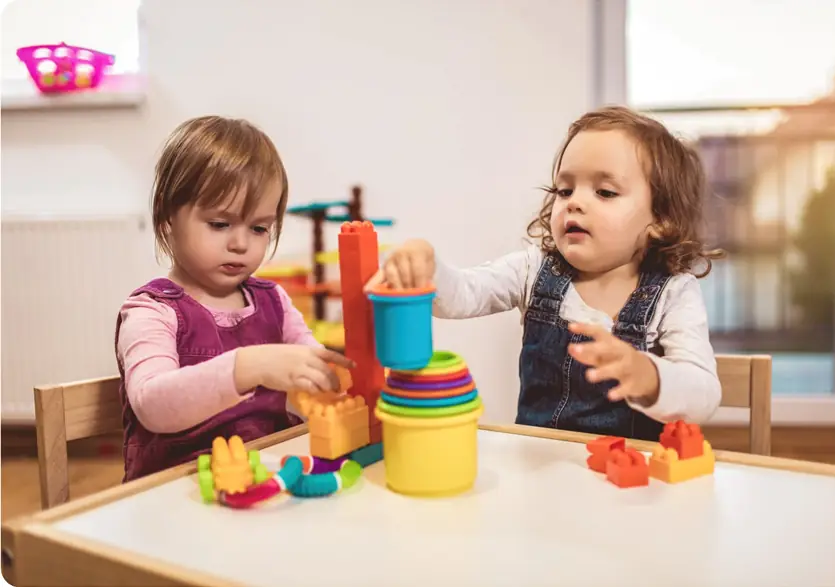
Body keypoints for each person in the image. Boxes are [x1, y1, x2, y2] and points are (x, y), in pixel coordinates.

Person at [366, 106, 724, 440]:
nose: (574, 202)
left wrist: (648, 376)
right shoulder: (533, 269)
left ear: (660, 220)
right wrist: (427, 266)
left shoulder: (674, 294)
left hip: (630, 484)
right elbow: (463, 295)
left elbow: (703, 395)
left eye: (605, 191)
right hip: (540, 471)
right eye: (563, 189)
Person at [115, 116, 354, 481]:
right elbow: (152, 404)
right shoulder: (152, 311)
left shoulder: (274, 300)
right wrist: (247, 367)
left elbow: (313, 367)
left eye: (259, 228)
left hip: (262, 481)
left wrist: (338, 377)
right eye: (220, 224)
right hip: (173, 494)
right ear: (167, 216)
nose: (240, 243)